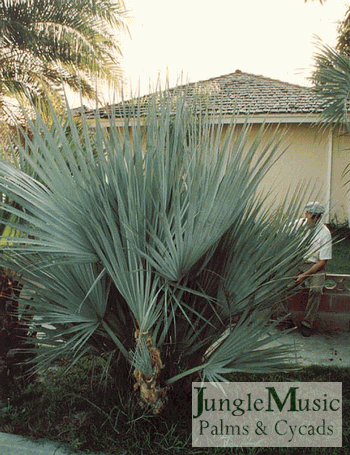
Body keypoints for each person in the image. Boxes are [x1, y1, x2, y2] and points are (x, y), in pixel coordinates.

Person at [278, 201, 332, 337]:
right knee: (278, 283)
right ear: (306, 213)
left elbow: (323, 262)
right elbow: (280, 236)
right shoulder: (296, 225)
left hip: (315, 265)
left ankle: (307, 323)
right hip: (296, 262)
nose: (313, 219)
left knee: (316, 290)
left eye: (316, 217)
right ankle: (285, 320)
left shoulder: (324, 233)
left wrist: (305, 275)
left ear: (319, 217)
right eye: (311, 215)